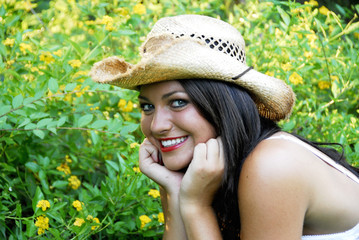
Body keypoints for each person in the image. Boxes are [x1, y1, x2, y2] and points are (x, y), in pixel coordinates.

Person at [90, 14, 359, 240]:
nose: (157, 126)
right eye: (147, 107)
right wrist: (175, 193)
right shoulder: (202, 171)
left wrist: (195, 206)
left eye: (178, 102)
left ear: (222, 104)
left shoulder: (271, 165)